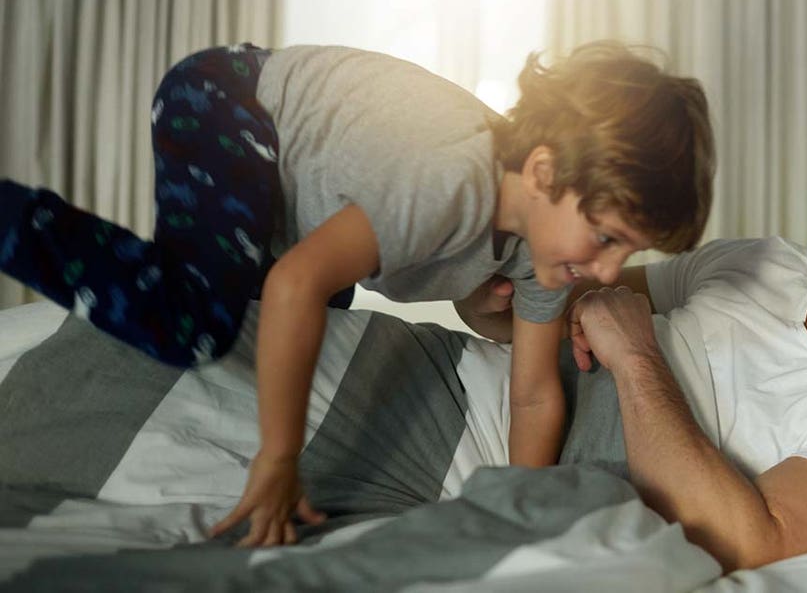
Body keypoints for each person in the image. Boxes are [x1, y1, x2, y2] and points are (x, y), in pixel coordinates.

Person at [0, 41, 716, 547]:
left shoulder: (539, 258)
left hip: (300, 202)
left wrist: (509, 509)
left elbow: (532, 392)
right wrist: (277, 461)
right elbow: (295, 283)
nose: (608, 266)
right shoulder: (453, 181)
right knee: (196, 321)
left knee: (312, 346)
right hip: (232, 103)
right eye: (606, 235)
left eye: (629, 250)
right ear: (542, 170)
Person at [470, 106, 807, 573]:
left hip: (488, 471)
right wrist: (481, 287)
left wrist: (634, 355)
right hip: (452, 377)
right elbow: (534, 305)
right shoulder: (760, 262)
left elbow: (750, 547)